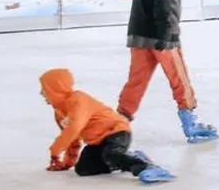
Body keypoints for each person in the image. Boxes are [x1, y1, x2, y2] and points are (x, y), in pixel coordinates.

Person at [116, 0, 219, 144]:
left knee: (136, 81)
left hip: (139, 33)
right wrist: (168, 34)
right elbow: (166, 2)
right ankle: (190, 123)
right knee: (179, 79)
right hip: (162, 36)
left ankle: (118, 123)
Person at [40, 68, 175, 183]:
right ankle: (127, 157)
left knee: (111, 156)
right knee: (83, 169)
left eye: (44, 89)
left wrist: (55, 152)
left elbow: (74, 129)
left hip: (116, 132)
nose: (42, 94)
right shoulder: (59, 112)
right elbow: (73, 140)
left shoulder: (78, 100)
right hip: (97, 141)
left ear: (56, 89)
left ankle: (144, 167)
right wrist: (66, 163)